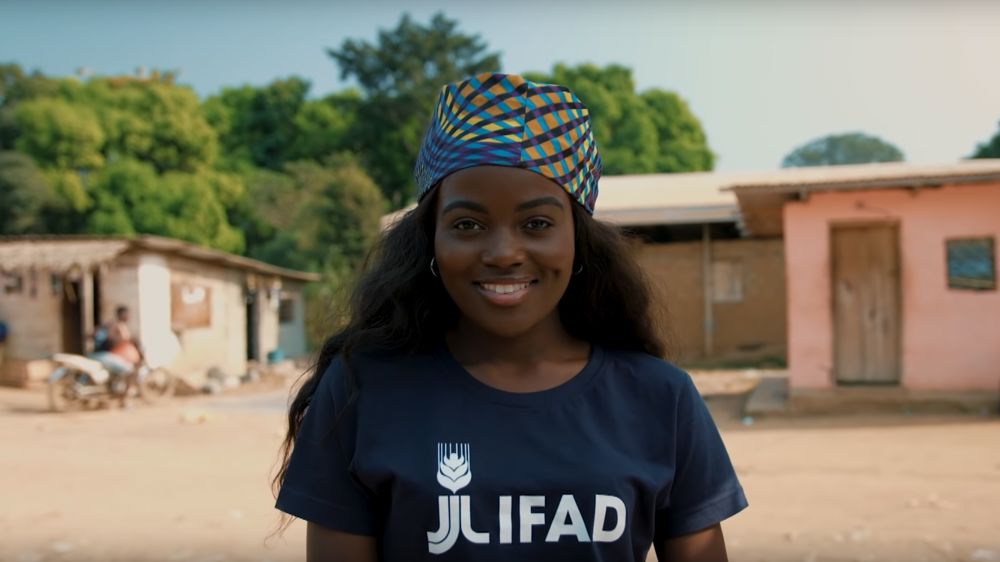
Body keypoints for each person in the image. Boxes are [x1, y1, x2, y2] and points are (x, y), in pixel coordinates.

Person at [273, 73, 747, 562]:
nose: (503, 253)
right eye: (468, 224)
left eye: (537, 223)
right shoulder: (360, 393)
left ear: (577, 239)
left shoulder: (660, 398)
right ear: (430, 241)